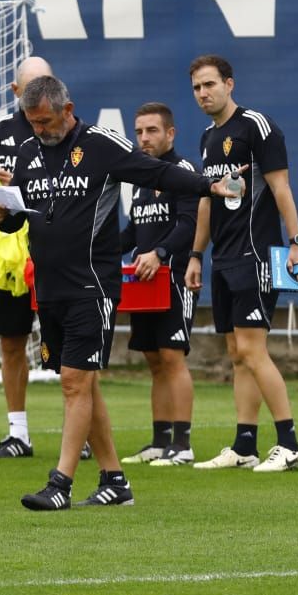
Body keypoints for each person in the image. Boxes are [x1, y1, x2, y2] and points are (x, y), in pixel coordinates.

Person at [0, 76, 233, 511]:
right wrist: (1, 214)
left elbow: (157, 172)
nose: (39, 130)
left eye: (45, 121)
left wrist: (208, 187)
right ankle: (115, 481)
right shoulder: (26, 153)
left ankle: (60, 484)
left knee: (74, 383)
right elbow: (18, 220)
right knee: (84, 385)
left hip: (92, 285)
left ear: (68, 109)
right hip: (49, 287)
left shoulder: (100, 145)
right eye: (32, 122)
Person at [184, 54, 298, 472]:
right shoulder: (208, 138)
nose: (203, 93)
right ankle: (245, 445)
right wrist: (195, 255)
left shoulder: (257, 127)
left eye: (210, 84)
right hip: (222, 258)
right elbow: (207, 201)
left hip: (255, 254)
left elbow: (281, 189)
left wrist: (297, 244)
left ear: (229, 84)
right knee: (236, 353)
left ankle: (290, 443)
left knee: (252, 349)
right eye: (196, 88)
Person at [0, 55, 54, 459]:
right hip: (7, 250)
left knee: (70, 343)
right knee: (11, 340)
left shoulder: (68, 130)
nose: (39, 94)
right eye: (31, 87)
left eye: (46, 84)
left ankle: (88, 434)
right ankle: (18, 433)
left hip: (53, 246)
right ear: (16, 91)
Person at [115, 102, 201, 467]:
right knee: (153, 360)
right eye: (139, 132)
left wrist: (161, 253)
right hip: (144, 282)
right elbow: (134, 232)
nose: (144, 138)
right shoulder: (140, 178)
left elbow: (189, 224)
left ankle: (182, 444)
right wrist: (96, 252)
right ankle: (159, 439)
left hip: (176, 279)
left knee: (171, 356)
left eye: (152, 130)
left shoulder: (182, 171)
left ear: (170, 133)